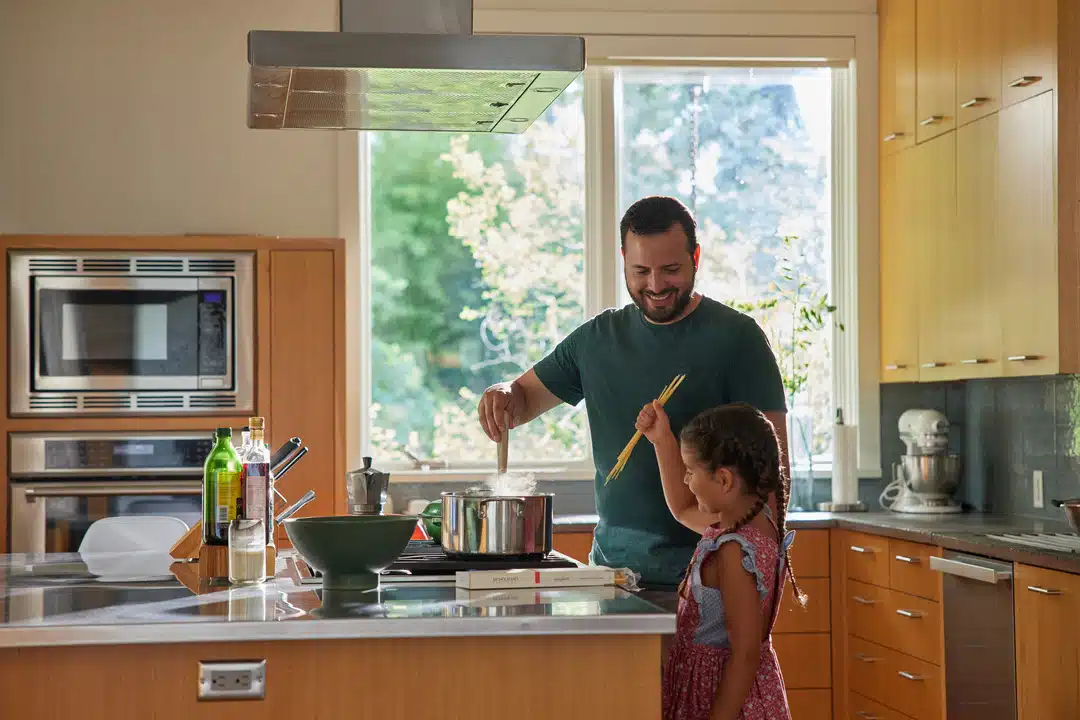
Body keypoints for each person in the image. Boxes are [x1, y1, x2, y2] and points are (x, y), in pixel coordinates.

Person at [476, 195, 788, 605]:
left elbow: (774, 480)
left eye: (671, 269)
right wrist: (502, 394)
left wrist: (754, 569)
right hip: (612, 578)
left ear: (696, 257)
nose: (656, 286)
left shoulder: (738, 339)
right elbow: (520, 401)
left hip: (710, 580)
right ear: (623, 260)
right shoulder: (596, 340)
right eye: (641, 271)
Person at [635, 400, 802, 720]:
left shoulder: (734, 552)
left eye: (690, 471)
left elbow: (746, 654)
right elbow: (684, 509)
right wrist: (662, 440)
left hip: (720, 703)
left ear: (724, 480)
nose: (686, 481)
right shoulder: (756, 522)